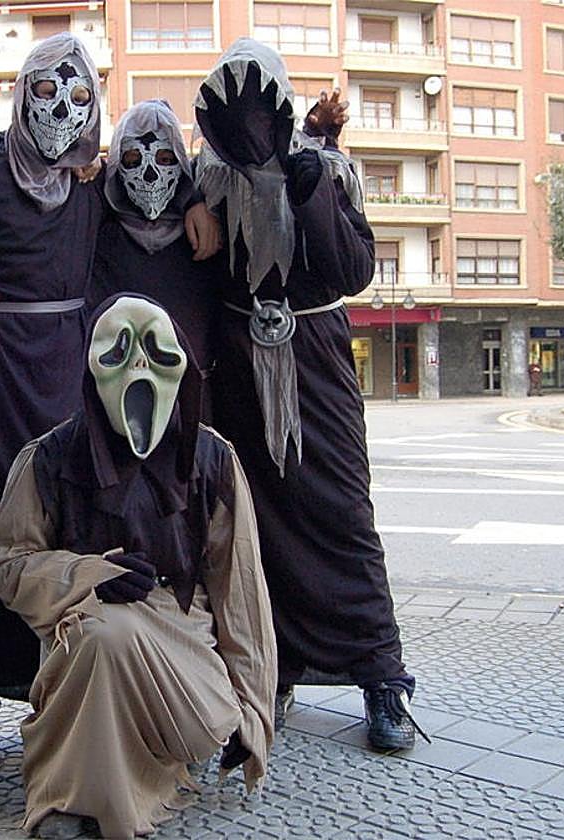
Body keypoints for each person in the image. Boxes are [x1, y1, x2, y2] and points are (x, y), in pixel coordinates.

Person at [0, 36, 219, 769]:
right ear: (20, 94)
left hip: (69, 369)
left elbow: (149, 178)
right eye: (45, 91)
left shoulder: (89, 191)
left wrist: (193, 194)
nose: (62, 111)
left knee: (67, 525)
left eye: (77, 96)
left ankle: (62, 686)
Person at [193, 38, 424, 750]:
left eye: (264, 110)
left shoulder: (327, 170)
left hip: (318, 368)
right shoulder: (209, 182)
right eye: (235, 115)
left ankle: (381, 677)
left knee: (343, 514)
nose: (252, 127)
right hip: (239, 376)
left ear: (283, 107)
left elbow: (353, 269)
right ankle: (278, 667)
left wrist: (310, 186)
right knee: (257, 525)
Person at [0, 293, 276, 840]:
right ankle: (79, 799)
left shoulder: (209, 461)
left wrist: (253, 713)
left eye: (158, 353)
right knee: (102, 633)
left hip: (185, 669)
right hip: (84, 654)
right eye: (118, 353)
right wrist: (88, 576)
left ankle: (131, 773)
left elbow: (241, 592)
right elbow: (6, 565)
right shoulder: (49, 460)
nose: (139, 368)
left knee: (105, 637)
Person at [87, 98, 222, 411]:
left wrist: (196, 198)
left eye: (164, 158)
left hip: (191, 400)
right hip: (117, 398)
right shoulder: (97, 222)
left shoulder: (203, 231)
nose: (150, 174)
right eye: (134, 158)